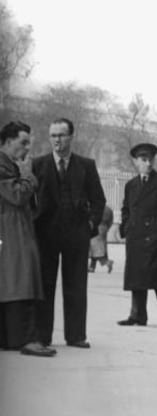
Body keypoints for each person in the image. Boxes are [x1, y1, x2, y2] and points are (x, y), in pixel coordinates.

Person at [32, 117, 106, 349]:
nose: (57, 140)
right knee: (45, 286)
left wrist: (90, 225)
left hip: (76, 234)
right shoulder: (38, 164)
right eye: (53, 135)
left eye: (61, 135)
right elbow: (30, 199)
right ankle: (43, 336)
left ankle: (76, 336)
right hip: (46, 234)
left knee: (76, 286)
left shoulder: (86, 165)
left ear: (71, 137)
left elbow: (99, 199)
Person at [0, 121, 54, 357]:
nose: (26, 150)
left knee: (15, 280)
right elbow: (17, 195)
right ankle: (25, 339)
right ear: (8, 141)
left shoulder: (9, 164)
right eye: (22, 143)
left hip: (14, 227)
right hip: (11, 229)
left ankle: (14, 338)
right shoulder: (6, 166)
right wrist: (28, 177)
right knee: (20, 279)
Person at [117, 143, 157, 328]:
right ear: (136, 162)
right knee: (137, 278)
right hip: (136, 238)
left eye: (150, 160)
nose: (148, 164)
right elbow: (126, 208)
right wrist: (127, 226)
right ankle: (137, 315)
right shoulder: (131, 185)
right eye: (143, 160)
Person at [88, 205, 115, 273]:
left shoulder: (94, 208)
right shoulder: (108, 209)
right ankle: (92, 267)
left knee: (96, 249)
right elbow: (111, 221)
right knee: (98, 249)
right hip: (104, 228)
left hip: (97, 228)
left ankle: (107, 262)